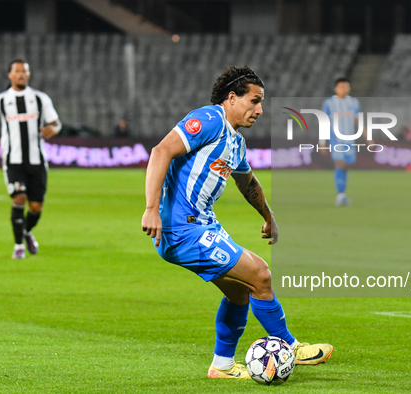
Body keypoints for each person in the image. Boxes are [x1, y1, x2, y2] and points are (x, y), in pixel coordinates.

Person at [141, 66, 333, 379]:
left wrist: (268, 216)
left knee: (240, 293)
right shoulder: (209, 119)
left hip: (202, 226)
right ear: (232, 98)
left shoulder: (235, 143)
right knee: (260, 274)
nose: (259, 110)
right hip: (181, 229)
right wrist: (151, 208)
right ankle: (291, 346)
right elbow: (161, 151)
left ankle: (223, 366)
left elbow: (248, 183)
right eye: (254, 101)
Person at [0, 59, 61, 259]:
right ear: (10, 75)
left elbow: (56, 122)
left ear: (29, 74)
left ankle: (25, 231)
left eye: (24, 71)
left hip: (37, 160)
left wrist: (54, 128)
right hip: (13, 160)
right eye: (17, 71)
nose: (21, 75)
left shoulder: (40, 98)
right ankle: (18, 246)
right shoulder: (0, 100)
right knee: (18, 198)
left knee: (36, 207)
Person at [321, 77, 362, 206]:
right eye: (341, 87)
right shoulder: (329, 103)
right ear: (336, 88)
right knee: (339, 164)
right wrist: (322, 142)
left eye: (346, 86)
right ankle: (340, 196)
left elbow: (358, 121)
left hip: (350, 141)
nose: (343, 89)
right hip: (336, 141)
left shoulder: (354, 103)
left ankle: (342, 193)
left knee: (346, 166)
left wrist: (369, 138)